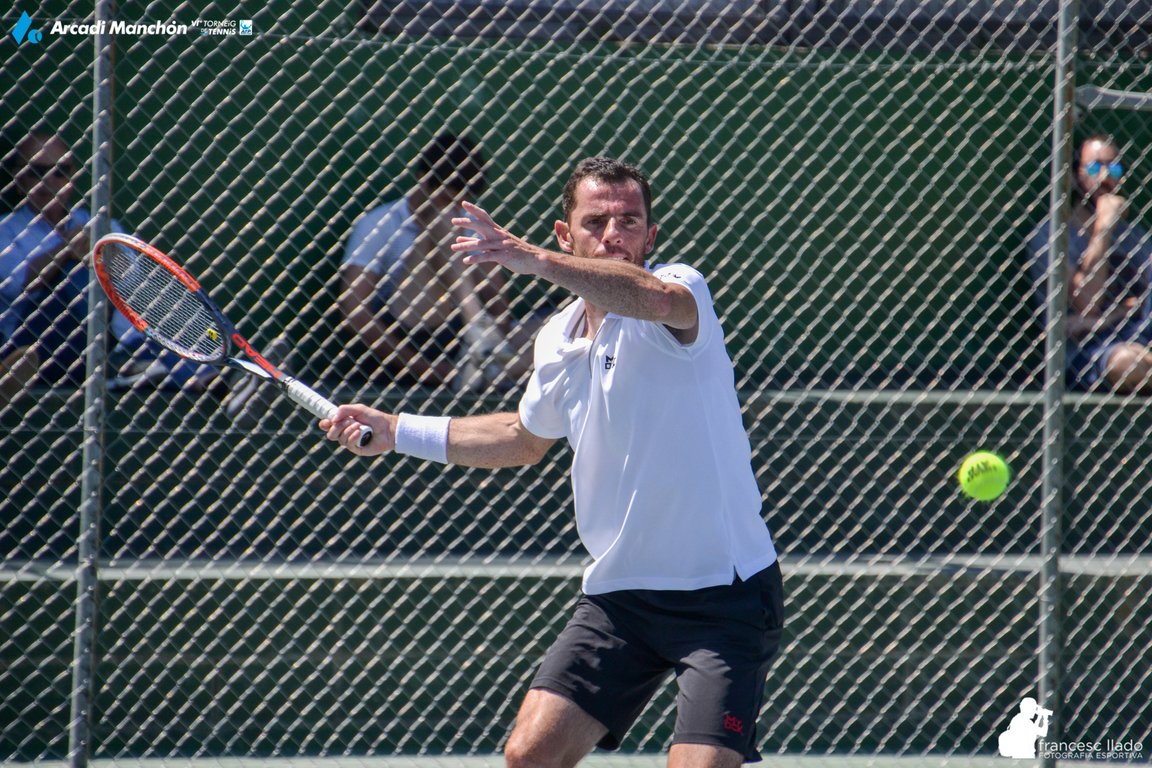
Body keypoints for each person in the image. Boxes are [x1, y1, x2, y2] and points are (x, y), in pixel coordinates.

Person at [323, 157, 784, 767]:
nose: (614, 234)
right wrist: (396, 430)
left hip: (723, 597)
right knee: (530, 755)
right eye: (595, 222)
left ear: (651, 236)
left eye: (629, 221)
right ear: (566, 233)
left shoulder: (679, 290)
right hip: (621, 596)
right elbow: (522, 437)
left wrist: (534, 260)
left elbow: (652, 297)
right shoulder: (556, 339)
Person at [0, 129, 282, 421]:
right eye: (37, 171)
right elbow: (15, 284)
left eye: (60, 171)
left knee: (151, 306)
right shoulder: (5, 229)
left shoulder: (98, 223)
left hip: (112, 338)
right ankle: (130, 367)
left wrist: (105, 255)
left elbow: (133, 280)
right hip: (41, 340)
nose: (50, 181)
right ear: (18, 177)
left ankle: (226, 389)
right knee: (77, 276)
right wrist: (65, 251)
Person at [339, 132, 535, 391]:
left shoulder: (468, 221)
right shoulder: (380, 223)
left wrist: (494, 334)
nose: (452, 208)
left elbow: (497, 303)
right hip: (407, 331)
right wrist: (429, 371)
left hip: (459, 337)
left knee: (552, 325)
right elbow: (354, 309)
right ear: (422, 180)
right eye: (445, 199)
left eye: (458, 202)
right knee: (442, 223)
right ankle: (477, 330)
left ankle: (485, 360)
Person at [1027, 134, 1152, 393]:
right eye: (1095, 168)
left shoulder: (1134, 237)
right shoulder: (1052, 237)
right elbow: (1086, 303)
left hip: (1142, 338)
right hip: (1092, 351)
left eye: (1114, 168)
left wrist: (1101, 319)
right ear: (1074, 176)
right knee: (1126, 363)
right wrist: (1103, 228)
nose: (1105, 176)